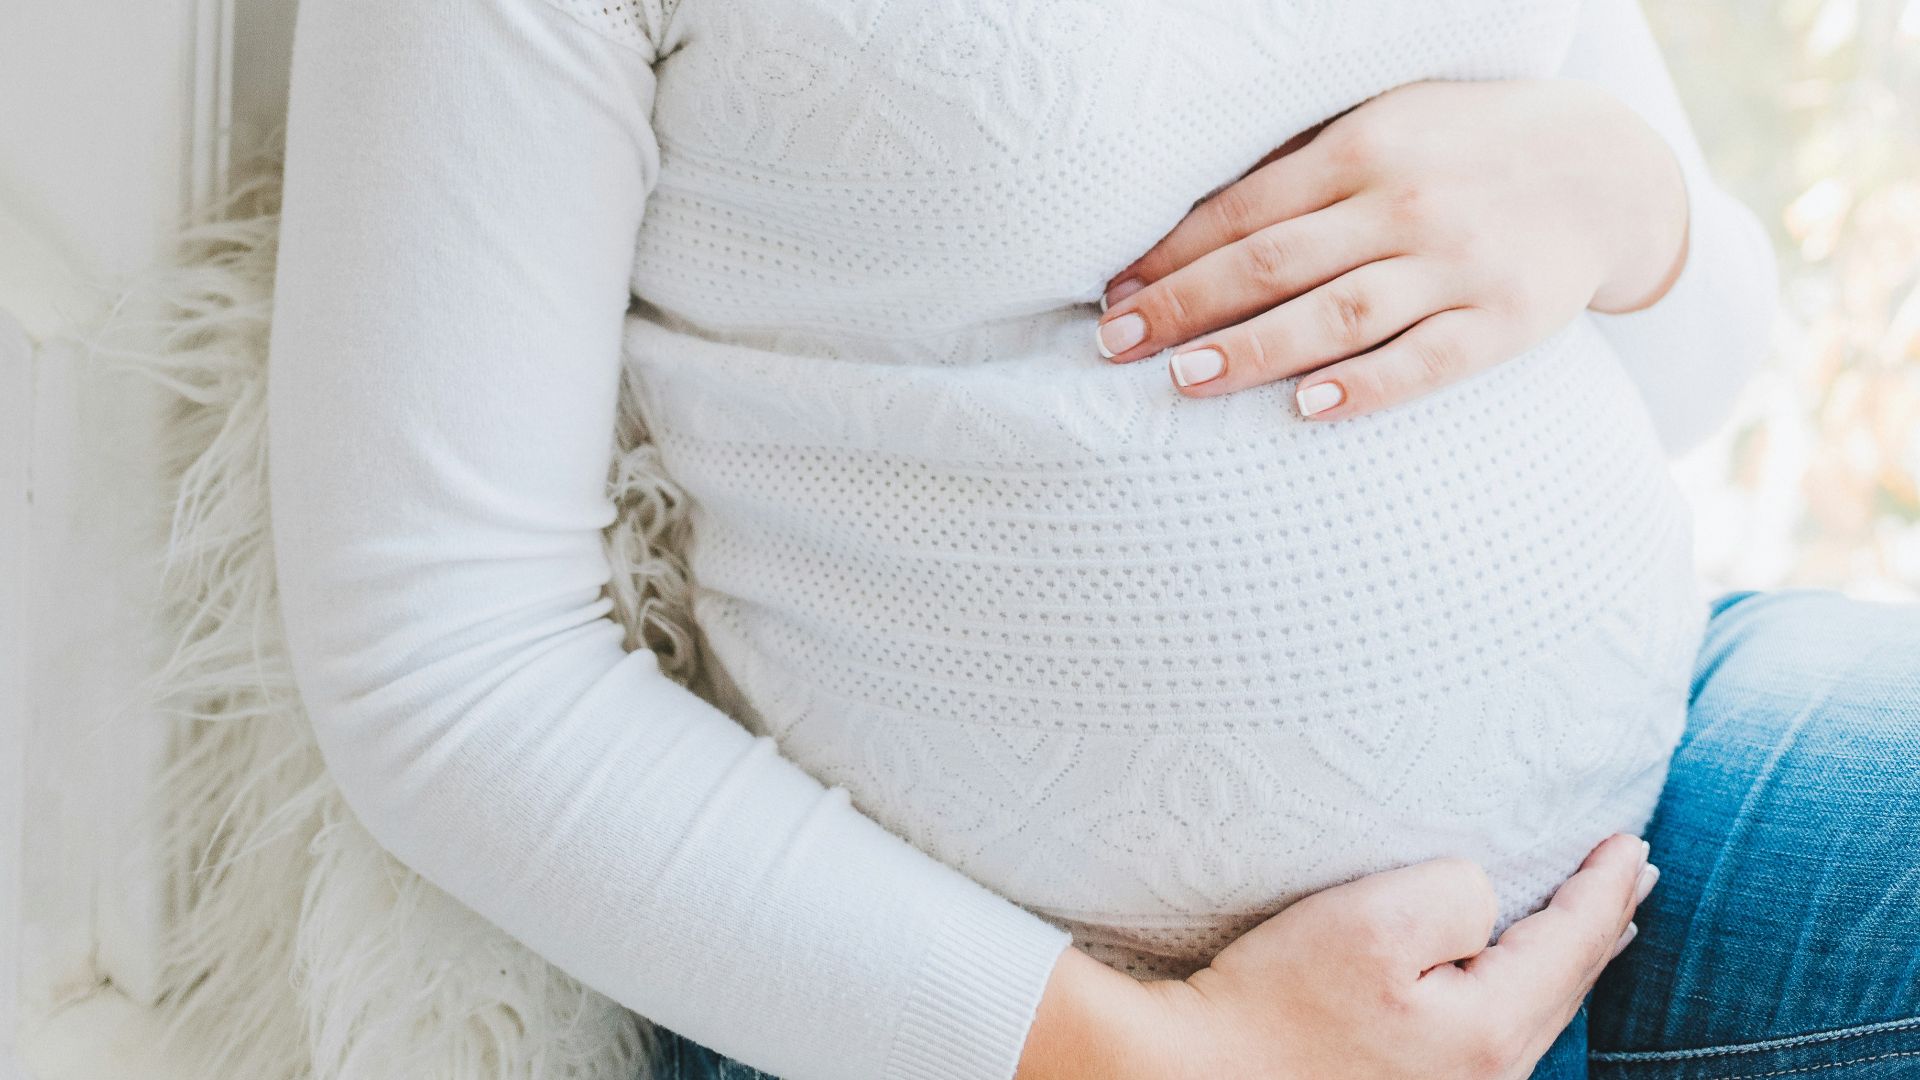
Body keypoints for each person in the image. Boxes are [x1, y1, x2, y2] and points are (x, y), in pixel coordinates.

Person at [263, 0, 1919, 1076]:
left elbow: (1686, 371)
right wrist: (1158, 1057)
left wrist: (1629, 200)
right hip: (1002, 1012)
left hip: (1646, 815)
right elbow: (443, 666)